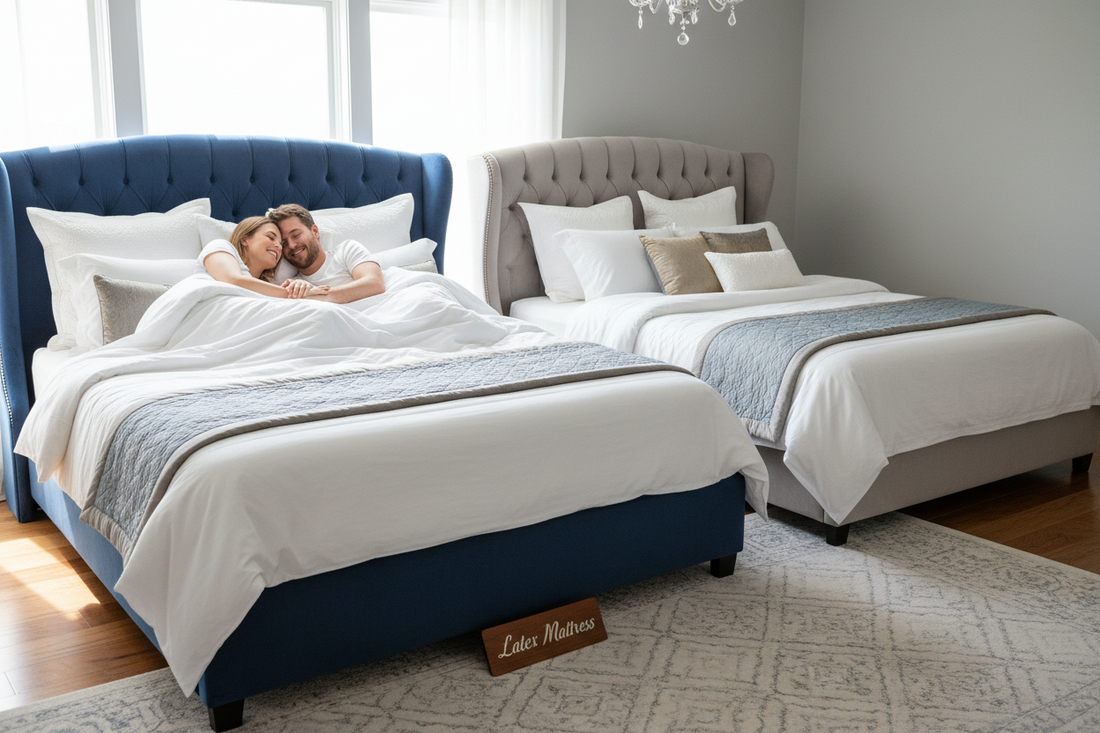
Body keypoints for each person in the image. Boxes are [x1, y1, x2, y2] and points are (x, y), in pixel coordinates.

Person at [268, 204, 386, 304]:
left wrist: (315, 295)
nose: (292, 245)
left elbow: (374, 284)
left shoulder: (346, 251)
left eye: (296, 235)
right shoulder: (295, 287)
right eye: (283, 242)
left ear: (315, 231)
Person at [198, 216, 329, 299]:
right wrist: (290, 293)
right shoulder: (220, 246)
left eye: (281, 243)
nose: (279, 246)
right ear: (245, 239)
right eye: (271, 237)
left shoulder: (268, 289)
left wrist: (300, 288)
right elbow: (233, 281)